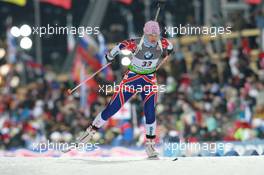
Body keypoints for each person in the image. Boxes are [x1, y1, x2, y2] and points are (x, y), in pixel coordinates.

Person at [78, 20, 173, 159]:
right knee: (113, 108)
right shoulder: (136, 43)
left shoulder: (162, 42)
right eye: (152, 35)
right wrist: (110, 56)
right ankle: (89, 132)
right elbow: (119, 46)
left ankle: (150, 146)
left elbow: (170, 46)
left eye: (156, 34)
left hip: (149, 80)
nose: (154, 38)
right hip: (132, 78)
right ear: (146, 34)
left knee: (150, 112)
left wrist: (170, 51)